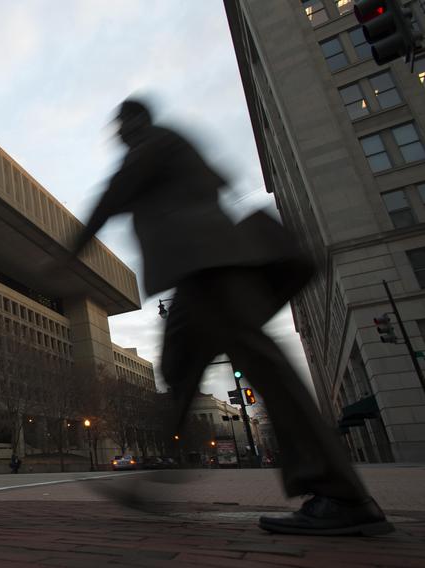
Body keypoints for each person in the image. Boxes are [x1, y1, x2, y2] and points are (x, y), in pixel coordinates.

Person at [70, 98, 393, 536]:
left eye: (124, 126)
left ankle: (341, 494)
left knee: (265, 368)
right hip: (195, 276)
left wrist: (70, 251)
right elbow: (215, 179)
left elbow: (113, 196)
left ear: (137, 122)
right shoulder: (168, 149)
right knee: (176, 372)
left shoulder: (156, 142)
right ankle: (155, 483)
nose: (121, 135)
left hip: (212, 270)